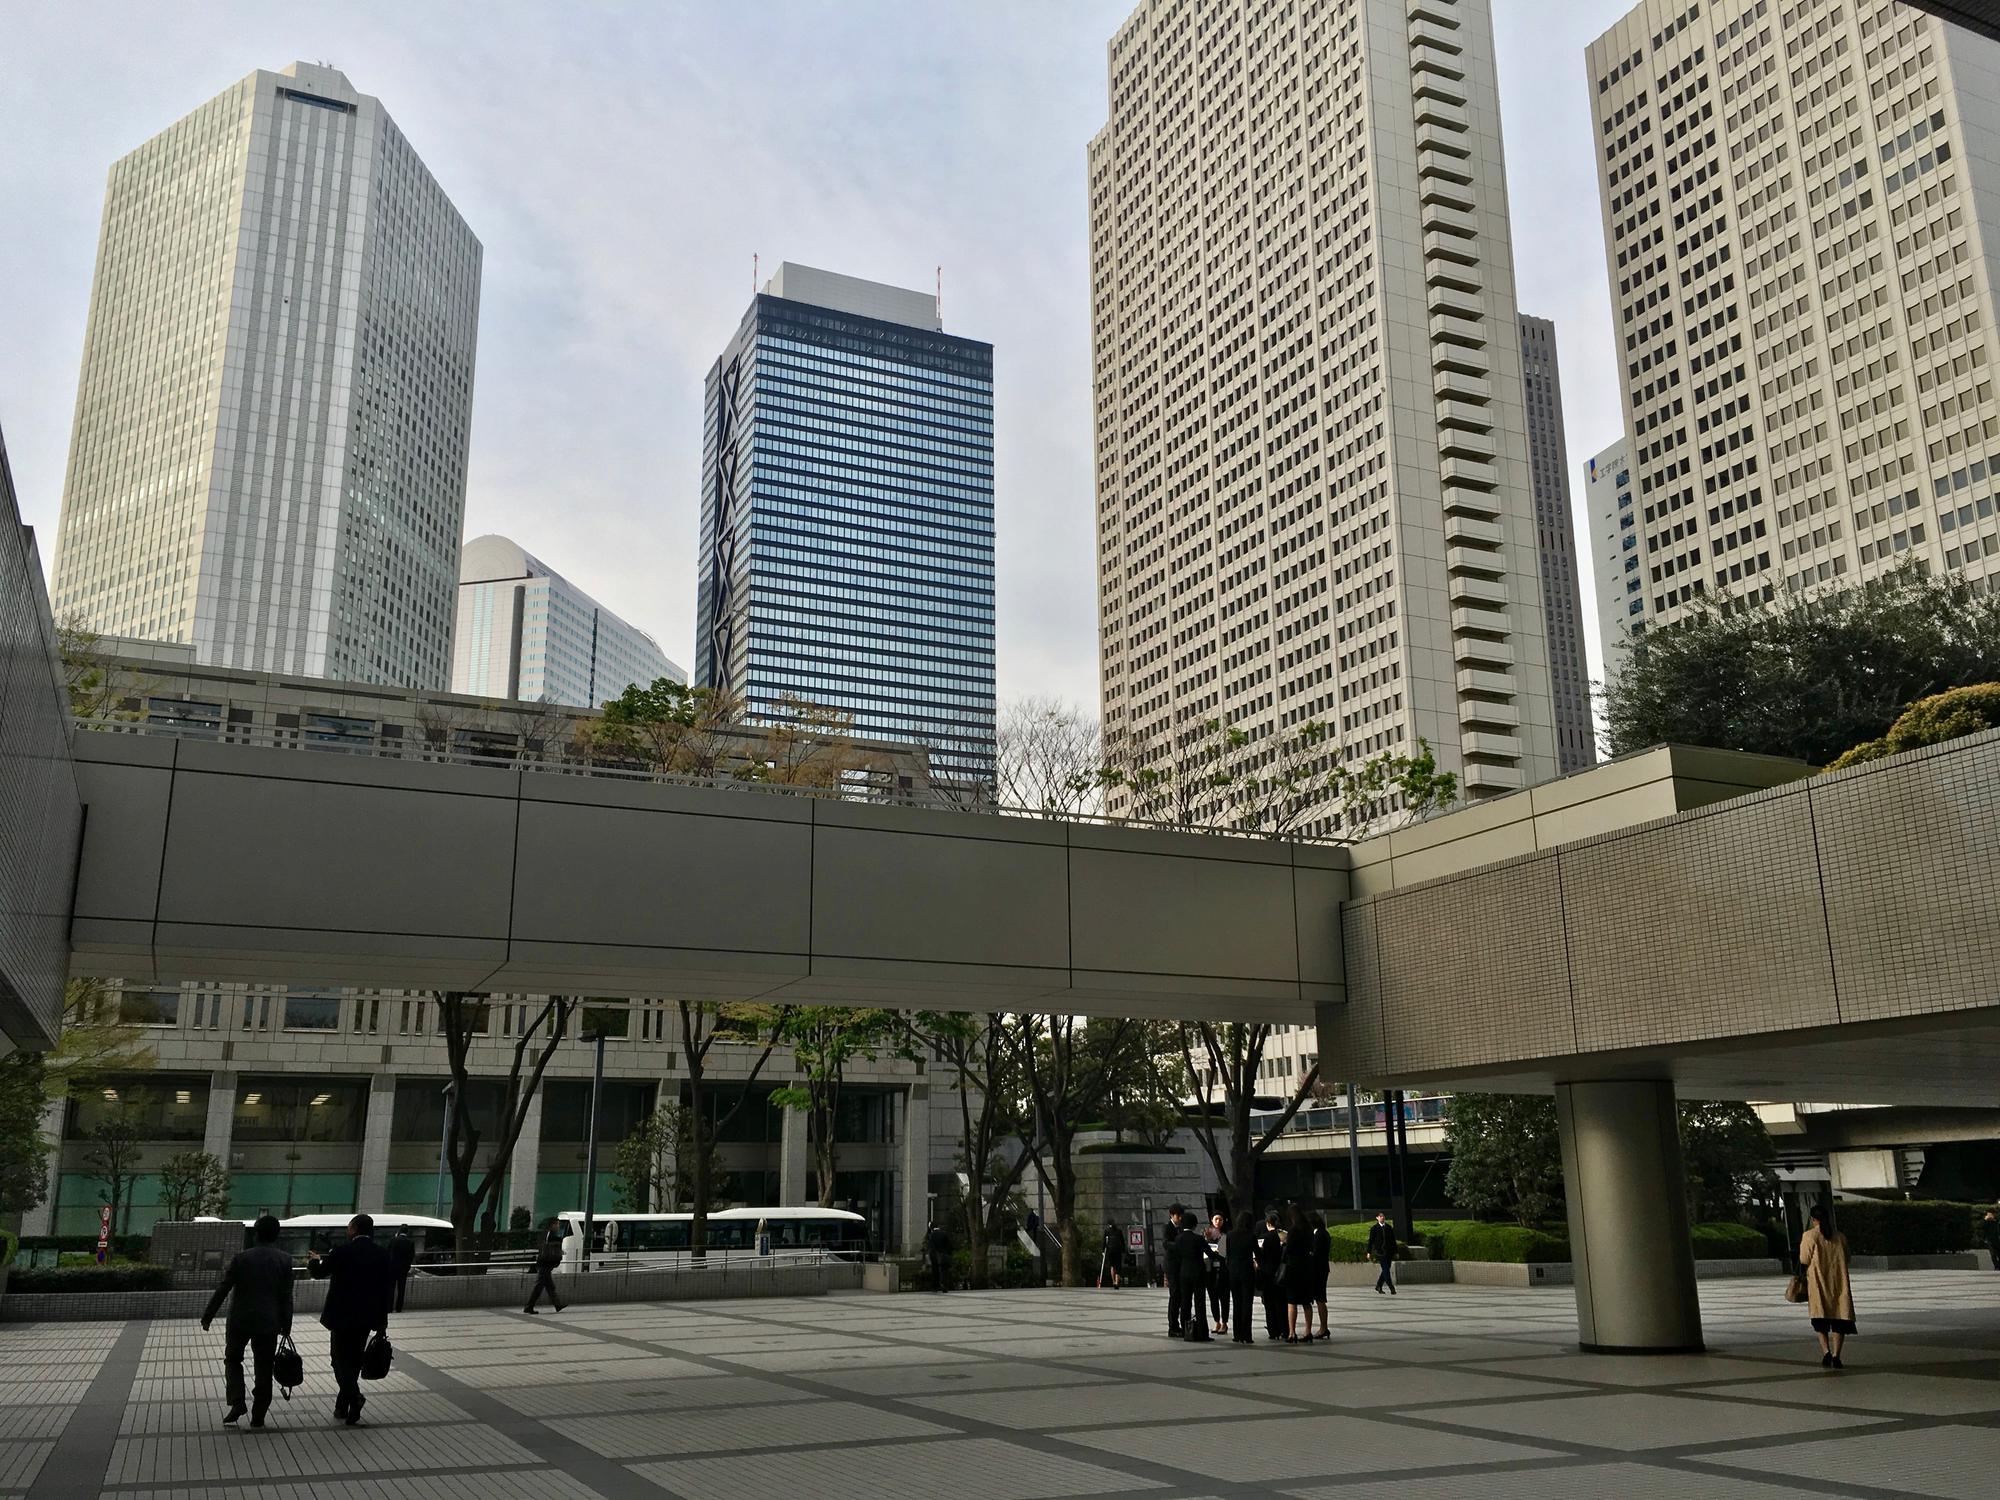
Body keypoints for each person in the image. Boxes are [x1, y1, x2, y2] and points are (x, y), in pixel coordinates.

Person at [201, 1213, 294, 1429]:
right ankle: (259, 1414)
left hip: (240, 1320)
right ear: (276, 1235)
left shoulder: (241, 1258)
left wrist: (208, 1315)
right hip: (269, 1322)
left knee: (233, 1360)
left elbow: (224, 1288)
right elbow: (286, 1296)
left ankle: (237, 1401)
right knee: (264, 1366)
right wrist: (286, 1323)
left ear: (256, 1234)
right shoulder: (284, 1260)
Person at [309, 1213, 395, 1426]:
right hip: (367, 1318)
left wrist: (313, 1261)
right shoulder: (381, 1254)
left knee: (338, 1360)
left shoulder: (342, 1252)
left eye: (349, 1226)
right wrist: (382, 1321)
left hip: (341, 1316)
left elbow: (320, 1273)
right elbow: (386, 1290)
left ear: (354, 1229)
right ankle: (342, 1406)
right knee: (354, 1360)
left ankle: (354, 1397)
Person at [1799, 1203, 1856, 1368]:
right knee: (1839, 1318)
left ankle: (1826, 1352)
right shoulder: (1839, 1236)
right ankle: (1837, 1355)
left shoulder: (1810, 1236)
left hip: (1818, 1283)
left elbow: (1804, 1259)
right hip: (1839, 1283)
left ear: (1813, 1219)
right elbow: (1848, 1257)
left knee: (1820, 1318)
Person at [1175, 1209, 1212, 1341]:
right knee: (1199, 1302)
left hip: (1184, 1273)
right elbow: (1210, 1254)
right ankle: (1202, 1333)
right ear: (1194, 1225)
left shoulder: (1178, 1239)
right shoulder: (1198, 1239)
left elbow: (1177, 1257)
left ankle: (1187, 1331)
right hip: (1198, 1273)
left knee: (1185, 1302)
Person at [1225, 1210, 1258, 1345]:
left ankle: (1237, 1334)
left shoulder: (1230, 1235)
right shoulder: (1251, 1236)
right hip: (1247, 1271)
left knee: (1236, 1302)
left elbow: (1227, 1253)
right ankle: (1247, 1335)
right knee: (1247, 1303)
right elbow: (1258, 1253)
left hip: (1233, 1271)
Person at [1282, 1205, 1314, 1342]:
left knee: (1292, 1302)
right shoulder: (1308, 1230)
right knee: (1307, 1302)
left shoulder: (1293, 1230)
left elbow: (1288, 1250)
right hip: (1306, 1267)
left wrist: (1284, 1243)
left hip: (1293, 1268)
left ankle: (1292, 1332)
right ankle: (1308, 1331)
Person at [1254, 1208, 1286, 1340]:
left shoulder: (1266, 1238)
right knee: (1281, 1304)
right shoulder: (1283, 1236)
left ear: (1268, 1223)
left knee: (1269, 1304)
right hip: (1280, 1274)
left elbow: (1261, 1256)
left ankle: (1273, 1330)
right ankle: (1284, 1328)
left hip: (1267, 1274)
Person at [525, 1221, 566, 1314]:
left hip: (545, 1264)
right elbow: (553, 1245)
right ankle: (529, 1306)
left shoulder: (547, 1235)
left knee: (550, 1286)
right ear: (552, 1225)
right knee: (539, 1286)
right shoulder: (550, 1235)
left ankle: (558, 1305)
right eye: (557, 1224)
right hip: (545, 1264)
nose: (558, 1226)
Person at [1308, 1211, 1333, 1340]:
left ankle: (1323, 1327)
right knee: (1320, 1299)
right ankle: (1324, 1327)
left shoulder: (1318, 1234)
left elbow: (1316, 1253)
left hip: (1318, 1270)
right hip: (1323, 1268)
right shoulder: (1324, 1233)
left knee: (1320, 1299)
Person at [1206, 1213, 1230, 1336]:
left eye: (1220, 1219)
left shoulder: (1226, 1235)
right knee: (1213, 1298)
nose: (1218, 1221)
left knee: (1224, 1298)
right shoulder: (1207, 1234)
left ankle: (1225, 1322)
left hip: (1223, 1270)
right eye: (1216, 1219)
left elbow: (1226, 1253)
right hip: (1210, 1271)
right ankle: (1217, 1322)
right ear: (1212, 1220)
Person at [1163, 1206, 1185, 1337]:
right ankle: (1173, 1326)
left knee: (1181, 1296)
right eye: (1178, 1216)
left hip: (1181, 1265)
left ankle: (1181, 1325)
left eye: (1181, 1215)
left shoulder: (1182, 1227)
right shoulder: (1167, 1227)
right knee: (1175, 1295)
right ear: (1172, 1215)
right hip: (1172, 1265)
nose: (1180, 1218)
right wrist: (1179, 1245)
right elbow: (1165, 1243)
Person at [1367, 1209, 1399, 1296]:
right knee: (1386, 1270)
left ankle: (1378, 1285)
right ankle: (1391, 1287)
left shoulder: (1389, 1227)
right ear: (1377, 1218)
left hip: (1389, 1252)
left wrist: (1396, 1252)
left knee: (1385, 1270)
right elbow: (1371, 1241)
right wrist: (1369, 1252)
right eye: (1380, 1216)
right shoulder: (1374, 1228)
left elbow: (1393, 1241)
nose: (1382, 1217)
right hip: (1380, 1252)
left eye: (1383, 1216)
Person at [388, 1228, 416, 1314]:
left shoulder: (393, 1240)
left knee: (391, 1288)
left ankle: (389, 1308)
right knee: (401, 1289)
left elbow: (388, 1251)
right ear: (407, 1232)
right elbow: (411, 1256)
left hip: (392, 1268)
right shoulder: (410, 1242)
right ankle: (399, 1308)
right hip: (403, 1269)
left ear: (399, 1231)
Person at [926, 1220, 953, 1292]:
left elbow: (931, 1247)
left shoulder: (932, 1235)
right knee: (944, 1272)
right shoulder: (944, 1234)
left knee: (935, 1271)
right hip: (944, 1255)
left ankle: (935, 1287)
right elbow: (949, 1245)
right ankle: (944, 1285)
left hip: (935, 1256)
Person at [1099, 1222, 1124, 1289]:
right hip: (1118, 1251)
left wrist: (1103, 1250)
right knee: (1118, 1267)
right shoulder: (1119, 1231)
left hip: (1110, 1251)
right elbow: (1122, 1241)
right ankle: (1116, 1282)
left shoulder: (1107, 1231)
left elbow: (1104, 1241)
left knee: (1112, 1266)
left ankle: (1113, 1282)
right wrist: (1123, 1250)